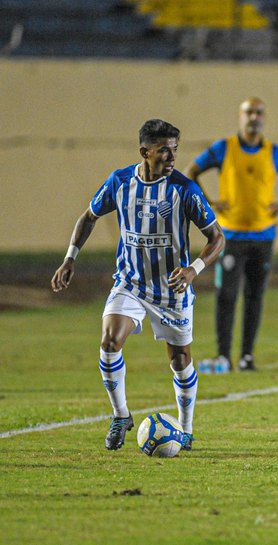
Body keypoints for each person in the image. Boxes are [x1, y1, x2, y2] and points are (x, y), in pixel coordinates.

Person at [51, 119, 225, 452]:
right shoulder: (119, 182)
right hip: (130, 283)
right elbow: (89, 216)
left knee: (179, 360)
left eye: (175, 149)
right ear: (144, 151)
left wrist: (193, 269)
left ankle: (186, 430)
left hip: (171, 291)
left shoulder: (184, 189)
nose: (172, 157)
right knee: (109, 341)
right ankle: (121, 415)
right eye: (164, 150)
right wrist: (70, 258)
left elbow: (217, 238)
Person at [184, 97, 278, 373]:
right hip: (231, 235)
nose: (254, 117)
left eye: (259, 112)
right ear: (241, 117)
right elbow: (191, 171)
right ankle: (224, 356)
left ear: (264, 118)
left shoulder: (274, 152)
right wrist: (208, 202)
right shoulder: (223, 149)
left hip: (263, 236)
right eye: (249, 112)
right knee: (226, 295)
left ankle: (247, 357)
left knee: (255, 296)